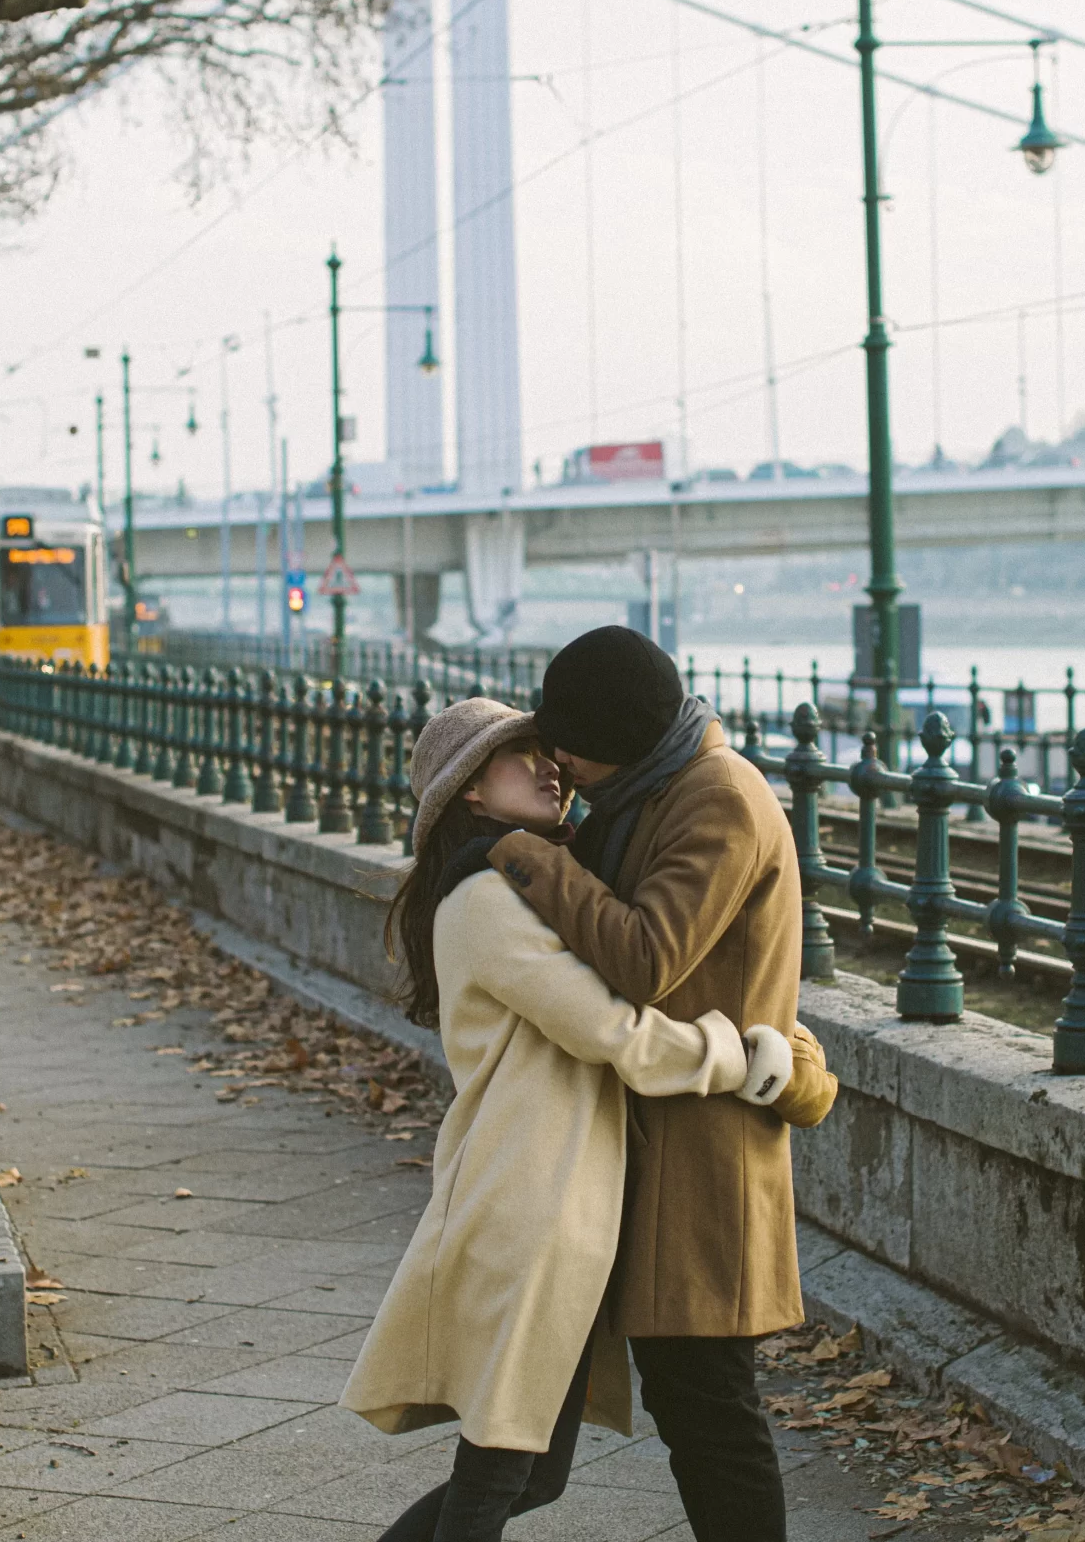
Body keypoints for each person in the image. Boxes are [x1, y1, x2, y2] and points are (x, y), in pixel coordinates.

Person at [343, 699, 830, 1542]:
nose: (549, 766)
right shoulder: (487, 903)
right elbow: (616, 1032)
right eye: (516, 757)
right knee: (500, 1472)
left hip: (559, 1204)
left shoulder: (525, 882)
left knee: (525, 1472)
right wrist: (744, 1055)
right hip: (531, 1208)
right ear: (470, 796)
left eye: (546, 750)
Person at [477, 626, 819, 1542]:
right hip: (657, 1144)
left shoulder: (719, 802)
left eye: (568, 743)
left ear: (618, 736)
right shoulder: (650, 791)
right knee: (691, 1409)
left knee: (712, 1412)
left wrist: (527, 851)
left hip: (702, 1158)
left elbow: (646, 955)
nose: (557, 760)